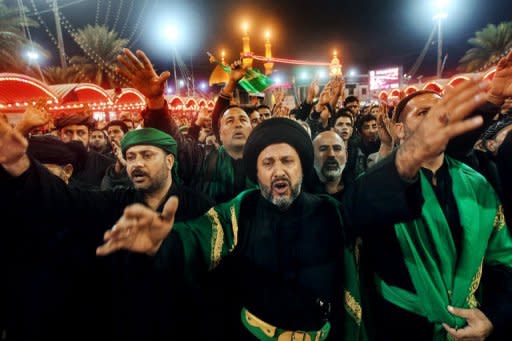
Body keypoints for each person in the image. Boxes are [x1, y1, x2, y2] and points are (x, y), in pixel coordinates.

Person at [97, 78, 489, 340]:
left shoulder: (328, 211)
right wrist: (163, 242)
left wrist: (409, 157)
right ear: (257, 173)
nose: (278, 171)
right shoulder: (242, 209)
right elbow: (198, 236)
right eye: (268, 164)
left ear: (303, 167)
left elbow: (366, 202)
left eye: (287, 161)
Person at [0, 125, 212, 341]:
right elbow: (67, 199)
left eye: (147, 155)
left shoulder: (201, 206)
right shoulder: (114, 202)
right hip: (128, 324)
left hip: (184, 322)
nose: (137, 163)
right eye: (130, 157)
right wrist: (20, 165)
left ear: (169, 161)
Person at [360, 80, 512, 341]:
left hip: (472, 327)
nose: (436, 119)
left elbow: (503, 261)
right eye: (422, 113)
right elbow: (357, 209)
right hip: (399, 327)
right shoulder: (378, 187)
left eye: (442, 112)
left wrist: (492, 316)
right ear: (399, 129)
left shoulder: (476, 185)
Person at [116, 48, 256, 203]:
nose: (237, 124)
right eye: (229, 121)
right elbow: (175, 143)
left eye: (243, 120)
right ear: (219, 132)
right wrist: (155, 102)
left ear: (252, 129)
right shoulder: (202, 160)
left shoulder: (269, 159)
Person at [54, 113, 114, 187]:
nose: (74, 138)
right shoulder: (51, 165)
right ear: (59, 135)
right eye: (68, 132)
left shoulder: (107, 165)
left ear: (89, 134)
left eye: (81, 133)